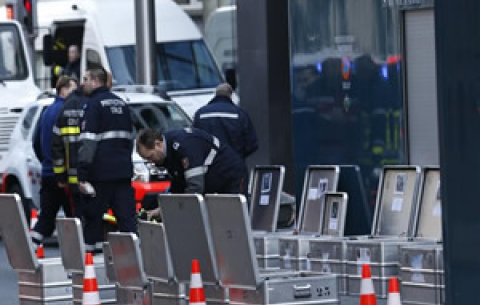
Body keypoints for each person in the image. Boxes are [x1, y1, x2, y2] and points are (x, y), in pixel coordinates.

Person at [77, 67, 136, 253]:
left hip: (100, 174)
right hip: (123, 172)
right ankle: (137, 262)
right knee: (127, 219)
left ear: (95, 81)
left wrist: (82, 174)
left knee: (93, 218)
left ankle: (89, 264)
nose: (82, 83)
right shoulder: (122, 104)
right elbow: (130, 138)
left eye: (85, 79)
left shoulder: (93, 105)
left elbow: (89, 142)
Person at [31, 76, 78, 249]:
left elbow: (36, 142)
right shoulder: (66, 111)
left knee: (46, 217)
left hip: (48, 172)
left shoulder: (47, 111)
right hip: (64, 175)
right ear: (63, 90)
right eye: (73, 90)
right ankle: (79, 257)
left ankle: (31, 249)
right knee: (75, 217)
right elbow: (69, 144)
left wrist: (46, 162)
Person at [136, 127, 248, 195]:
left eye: (150, 156)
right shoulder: (167, 152)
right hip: (214, 179)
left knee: (234, 217)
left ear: (158, 144)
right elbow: (178, 186)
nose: (151, 162)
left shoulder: (184, 145)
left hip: (231, 175)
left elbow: (195, 187)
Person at [193, 83, 258, 160]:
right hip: (234, 163)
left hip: (209, 165)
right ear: (231, 95)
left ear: (215, 94)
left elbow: (194, 140)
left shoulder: (201, 113)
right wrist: (239, 156)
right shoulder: (239, 114)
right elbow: (251, 144)